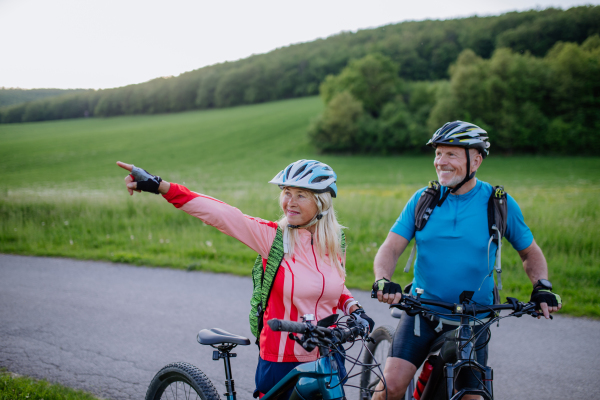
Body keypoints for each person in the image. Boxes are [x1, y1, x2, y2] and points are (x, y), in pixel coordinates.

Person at [116, 159, 374, 399]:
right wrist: (161, 186)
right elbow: (222, 214)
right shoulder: (273, 239)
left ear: (321, 203)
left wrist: (354, 308)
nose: (290, 202)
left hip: (329, 355)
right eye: (286, 192)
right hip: (282, 360)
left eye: (301, 195)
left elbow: (333, 287)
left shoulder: (334, 242)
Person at [370, 121, 562, 400]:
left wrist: (541, 285)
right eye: (438, 154)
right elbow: (390, 247)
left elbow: (530, 252)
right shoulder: (424, 200)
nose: (440, 162)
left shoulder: (498, 204)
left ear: (476, 160)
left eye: (451, 154)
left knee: (472, 396)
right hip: (421, 314)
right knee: (392, 386)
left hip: (473, 321)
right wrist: (383, 280)